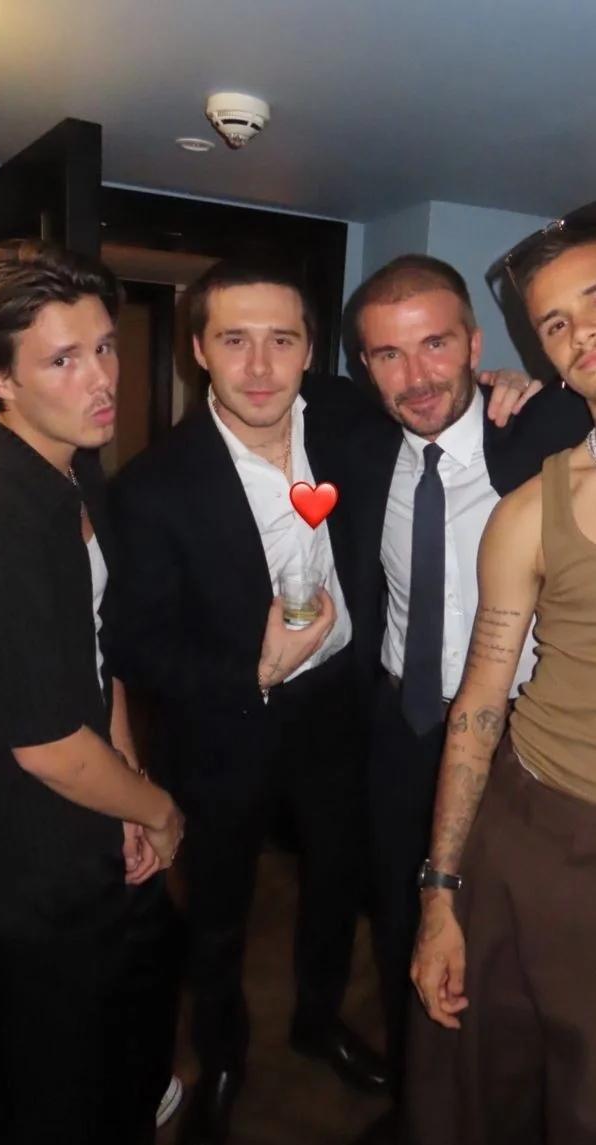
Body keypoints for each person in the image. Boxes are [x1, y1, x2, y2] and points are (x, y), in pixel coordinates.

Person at [110, 255, 389, 1145]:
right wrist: (252, 673)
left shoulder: (348, 419)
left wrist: (504, 390)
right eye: (235, 340)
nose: (260, 367)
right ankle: (223, 1053)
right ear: (199, 349)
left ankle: (317, 1019)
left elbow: (440, 404)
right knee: (220, 908)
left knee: (336, 877)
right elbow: (135, 644)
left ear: (312, 349)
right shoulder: (149, 487)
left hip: (338, 707)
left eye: (282, 340)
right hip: (224, 726)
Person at [344, 254, 592, 1145]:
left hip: (520, 745)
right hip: (404, 727)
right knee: (407, 919)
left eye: (436, 345)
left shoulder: (546, 425)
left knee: (515, 969)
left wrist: (533, 376)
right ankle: (420, 1095)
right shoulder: (354, 446)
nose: (415, 376)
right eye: (388, 354)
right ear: (365, 366)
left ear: (479, 347)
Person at [0, 238, 185, 1145]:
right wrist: (160, 809)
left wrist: (127, 784)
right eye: (62, 360)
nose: (101, 378)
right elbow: (48, 744)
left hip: (90, 814)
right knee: (47, 1083)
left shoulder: (75, 466)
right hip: (27, 852)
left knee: (126, 1022)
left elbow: (98, 653)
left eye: (103, 346)